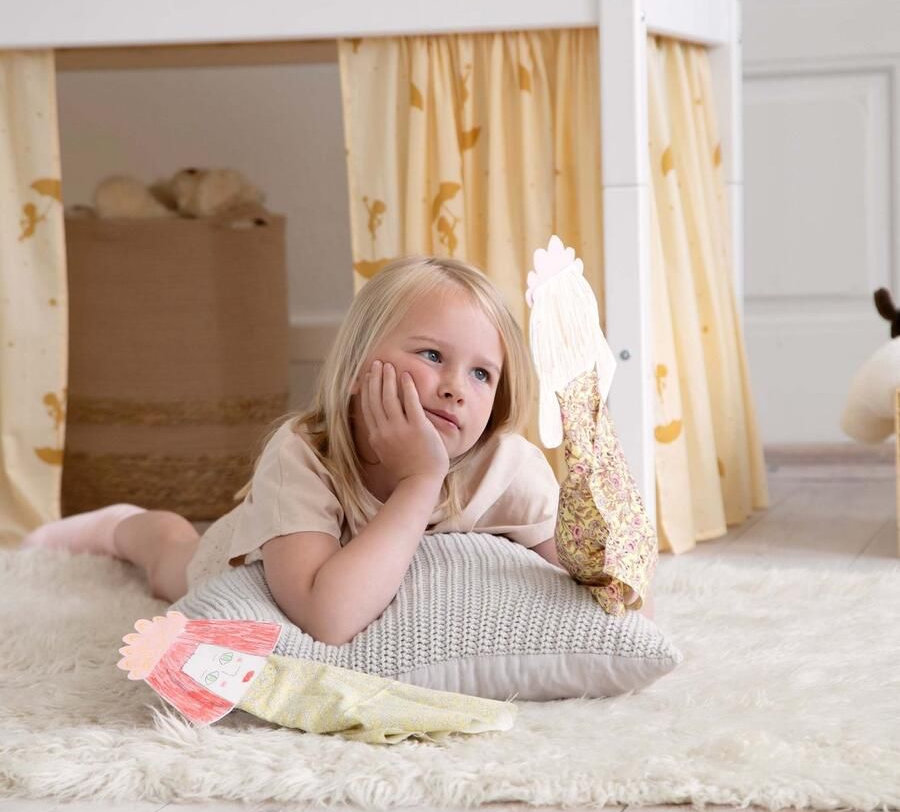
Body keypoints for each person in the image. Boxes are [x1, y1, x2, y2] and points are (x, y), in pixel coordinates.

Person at [22, 256, 653, 644]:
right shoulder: (303, 454)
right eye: (432, 355)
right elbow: (327, 618)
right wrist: (419, 481)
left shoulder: (507, 468)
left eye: (482, 374)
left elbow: (611, 595)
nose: (456, 388)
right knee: (171, 555)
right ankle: (119, 525)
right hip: (245, 553)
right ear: (356, 367)